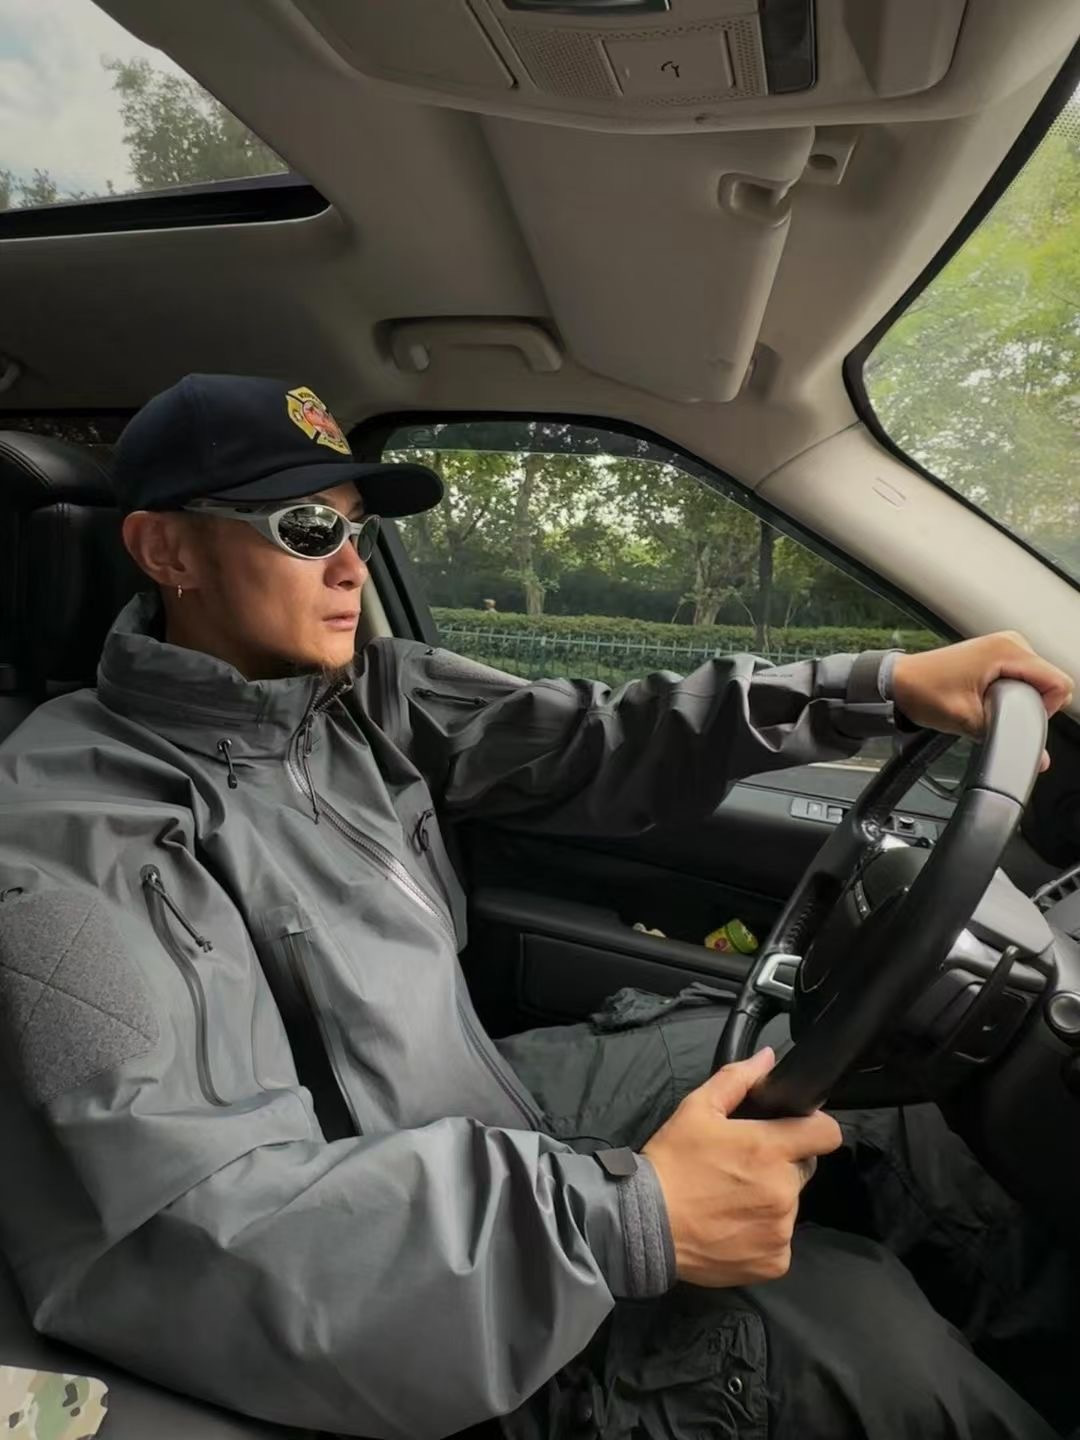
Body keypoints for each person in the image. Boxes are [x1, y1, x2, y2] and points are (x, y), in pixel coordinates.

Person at [0, 373, 1072, 1440]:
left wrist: (870, 689)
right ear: (167, 553)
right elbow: (186, 1221)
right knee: (864, 1337)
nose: (349, 565)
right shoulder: (76, 827)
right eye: (306, 528)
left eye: (357, 529)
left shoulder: (363, 701)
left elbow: (600, 734)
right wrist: (627, 1219)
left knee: (866, 1064)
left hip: (492, 1112)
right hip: (396, 1265)